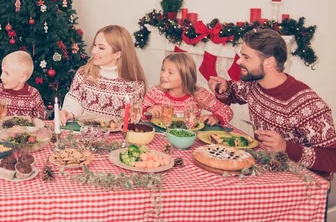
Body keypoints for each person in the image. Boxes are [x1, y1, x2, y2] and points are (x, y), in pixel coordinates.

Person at [209, 29, 336, 178]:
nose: (238, 61)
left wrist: (286, 148)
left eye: (246, 57)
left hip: (304, 186)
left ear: (269, 62)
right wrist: (223, 86)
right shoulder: (255, 85)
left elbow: (333, 159)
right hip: (269, 173)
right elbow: (234, 93)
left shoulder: (308, 105)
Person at [59, 25, 147, 125]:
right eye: (95, 45)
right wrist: (68, 113)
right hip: (87, 135)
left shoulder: (135, 85)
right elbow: (74, 104)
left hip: (117, 138)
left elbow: (134, 118)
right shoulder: (83, 74)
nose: (93, 51)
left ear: (117, 54)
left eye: (101, 48)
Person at [142, 53, 233, 125]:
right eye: (163, 69)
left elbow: (227, 111)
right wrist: (148, 110)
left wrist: (216, 118)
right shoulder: (156, 93)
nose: (163, 75)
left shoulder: (199, 94)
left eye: (170, 72)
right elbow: (137, 114)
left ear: (185, 76)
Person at [0, 51, 46, 120]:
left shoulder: (33, 95)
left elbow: (41, 121)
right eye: (2, 71)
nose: (1, 76)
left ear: (22, 78)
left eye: (7, 73)